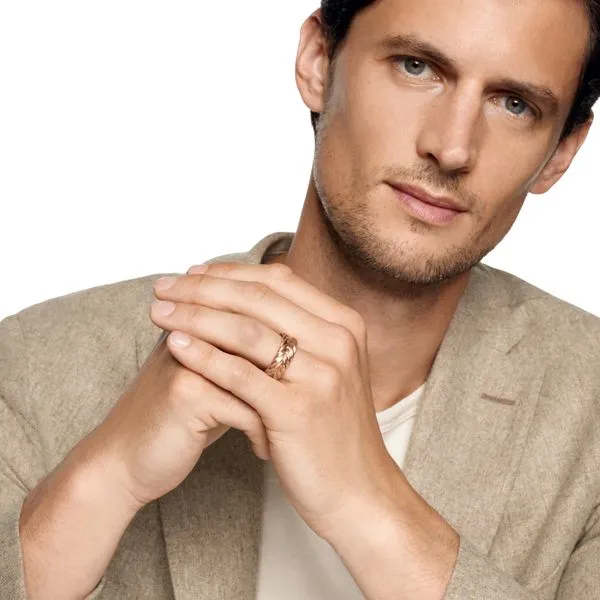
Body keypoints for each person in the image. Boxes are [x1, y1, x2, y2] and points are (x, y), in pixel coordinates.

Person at [2, 0, 600, 598]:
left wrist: (368, 506)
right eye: (416, 67)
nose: (452, 148)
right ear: (318, 60)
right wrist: (106, 479)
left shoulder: (588, 419)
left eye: (515, 104)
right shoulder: (35, 363)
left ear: (562, 152)